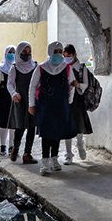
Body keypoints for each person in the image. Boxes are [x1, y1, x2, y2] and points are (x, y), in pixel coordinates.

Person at [28, 41, 76, 175]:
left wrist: (69, 101)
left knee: (57, 133)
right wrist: (31, 104)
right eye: (56, 52)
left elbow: (71, 85)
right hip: (45, 106)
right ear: (50, 52)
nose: (59, 54)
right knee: (46, 133)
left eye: (60, 52)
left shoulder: (66, 68)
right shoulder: (41, 68)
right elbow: (32, 87)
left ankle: (55, 159)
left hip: (61, 105)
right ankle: (44, 162)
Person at [7, 41, 38, 164]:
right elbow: (10, 84)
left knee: (31, 126)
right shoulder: (14, 67)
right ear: (19, 52)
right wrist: (14, 93)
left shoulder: (35, 65)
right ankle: (15, 148)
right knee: (20, 126)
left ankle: (27, 154)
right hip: (20, 100)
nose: (27, 54)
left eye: (29, 51)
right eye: (24, 51)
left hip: (32, 100)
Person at [63, 44, 93, 164]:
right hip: (66, 100)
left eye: (68, 56)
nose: (66, 58)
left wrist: (78, 85)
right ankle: (68, 154)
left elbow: (86, 84)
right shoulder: (62, 67)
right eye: (64, 56)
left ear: (74, 55)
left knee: (79, 125)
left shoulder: (82, 68)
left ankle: (80, 144)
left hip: (78, 99)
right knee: (67, 127)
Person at [0, 45, 15, 156]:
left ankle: (12, 146)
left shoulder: (18, 67)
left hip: (14, 98)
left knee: (14, 124)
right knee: (3, 124)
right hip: (3, 99)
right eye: (10, 52)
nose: (12, 54)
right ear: (5, 53)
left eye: (14, 52)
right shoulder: (0, 68)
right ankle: (3, 146)